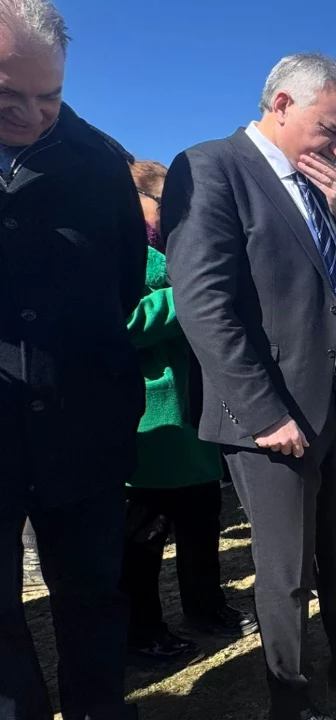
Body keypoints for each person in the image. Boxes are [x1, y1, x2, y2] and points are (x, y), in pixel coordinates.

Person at [165, 53, 336, 720]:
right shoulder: (212, 167)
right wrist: (262, 412)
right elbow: (203, 303)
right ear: (282, 104)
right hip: (271, 413)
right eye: (332, 131)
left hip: (335, 399)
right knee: (286, 567)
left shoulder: (317, 190)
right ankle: (290, 694)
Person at [0, 3, 147, 717]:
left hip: (81, 413)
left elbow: (124, 283)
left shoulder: (99, 162)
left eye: (50, 96)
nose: (32, 115)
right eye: (8, 97)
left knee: (92, 596)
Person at [121, 160, 259, 663]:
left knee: (202, 521)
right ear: (135, 199)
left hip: (197, 411)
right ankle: (143, 629)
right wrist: (189, 298)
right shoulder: (122, 253)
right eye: (166, 204)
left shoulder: (181, 249)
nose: (175, 215)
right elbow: (124, 322)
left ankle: (207, 606)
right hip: (152, 415)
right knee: (145, 534)